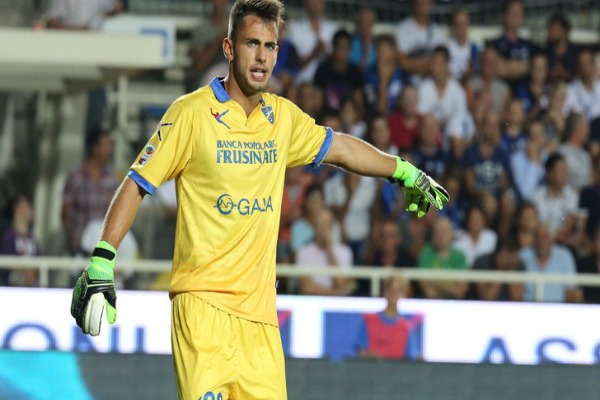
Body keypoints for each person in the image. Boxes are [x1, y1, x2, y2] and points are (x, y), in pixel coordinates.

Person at [69, 2, 449, 399]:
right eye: (252, 43)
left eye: (270, 46)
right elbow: (136, 183)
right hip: (203, 308)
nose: (262, 56)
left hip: (262, 318)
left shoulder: (281, 118)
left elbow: (342, 149)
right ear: (229, 48)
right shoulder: (191, 114)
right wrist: (102, 261)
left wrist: (403, 171)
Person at [62, 129, 119, 255]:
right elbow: (65, 212)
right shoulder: (76, 176)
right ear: (95, 148)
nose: (109, 150)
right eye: (106, 145)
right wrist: (72, 237)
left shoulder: (111, 176)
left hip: (103, 244)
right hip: (80, 244)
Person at [354, 277, 422, 360]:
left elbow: (412, 359)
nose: (394, 294)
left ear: (404, 294)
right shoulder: (369, 320)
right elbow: (360, 352)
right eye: (391, 289)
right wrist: (369, 356)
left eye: (398, 290)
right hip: (372, 368)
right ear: (384, 291)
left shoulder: (406, 328)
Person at [296, 208, 354, 296]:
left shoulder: (345, 252)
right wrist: (336, 293)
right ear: (314, 228)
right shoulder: (303, 252)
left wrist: (329, 251)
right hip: (313, 301)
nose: (324, 230)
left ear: (332, 227)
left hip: (338, 303)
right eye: (321, 226)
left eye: (327, 225)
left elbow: (341, 283)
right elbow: (307, 288)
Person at [519, 223, 582, 303]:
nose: (541, 241)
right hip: (529, 308)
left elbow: (571, 289)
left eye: (545, 237)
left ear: (552, 239)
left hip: (557, 308)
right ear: (534, 240)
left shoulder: (564, 256)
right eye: (538, 237)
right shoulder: (523, 256)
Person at [489, 0, 538, 92]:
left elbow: (535, 68)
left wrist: (508, 65)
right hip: (502, 92)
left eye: (519, 13)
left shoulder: (530, 45)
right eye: (513, 13)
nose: (516, 17)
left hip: (525, 93)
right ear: (505, 15)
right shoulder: (495, 44)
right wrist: (522, 66)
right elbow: (499, 69)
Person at [313, 29, 364, 114]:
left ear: (350, 50)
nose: (343, 52)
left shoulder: (355, 72)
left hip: (349, 118)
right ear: (334, 48)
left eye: (346, 48)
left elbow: (359, 104)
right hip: (327, 118)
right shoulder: (323, 70)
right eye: (340, 48)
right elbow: (317, 103)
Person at [417, 216, 468, 299]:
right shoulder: (426, 253)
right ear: (433, 236)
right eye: (437, 232)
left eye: (444, 232)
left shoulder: (460, 256)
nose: (441, 237)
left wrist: (433, 281)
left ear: (452, 234)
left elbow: (460, 291)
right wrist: (450, 288)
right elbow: (427, 290)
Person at [288, 0, 338, 84]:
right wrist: (314, 53)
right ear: (306, 4)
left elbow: (338, 62)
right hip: (301, 82)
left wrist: (325, 52)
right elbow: (293, 63)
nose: (316, 4)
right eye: (312, 1)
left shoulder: (333, 29)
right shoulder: (295, 29)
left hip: (327, 83)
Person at [394, 0, 447, 78]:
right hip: (409, 82)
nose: (422, 7)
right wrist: (430, 66)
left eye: (426, 3)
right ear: (414, 3)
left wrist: (414, 63)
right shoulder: (401, 30)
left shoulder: (439, 33)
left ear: (431, 3)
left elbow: (443, 63)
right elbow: (402, 63)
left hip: (432, 82)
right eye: (419, 3)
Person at [187, 0, 230, 91]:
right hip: (209, 77)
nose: (220, 3)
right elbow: (199, 65)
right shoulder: (202, 30)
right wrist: (218, 42)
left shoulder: (236, 26)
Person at [0, 195, 41, 287]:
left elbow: (40, 263)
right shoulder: (8, 237)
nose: (30, 210)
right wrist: (24, 270)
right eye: (26, 206)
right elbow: (6, 262)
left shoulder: (34, 240)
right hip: (11, 288)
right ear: (16, 209)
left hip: (32, 288)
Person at [446, 7, 480, 82]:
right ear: (453, 25)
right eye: (458, 23)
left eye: (464, 23)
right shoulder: (446, 47)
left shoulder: (475, 48)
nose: (461, 27)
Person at [545, 13, 578, 83]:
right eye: (549, 29)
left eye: (554, 29)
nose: (550, 32)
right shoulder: (546, 52)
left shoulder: (575, 52)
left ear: (564, 31)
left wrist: (563, 73)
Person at [349, 6, 377, 72]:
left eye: (367, 23)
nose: (364, 26)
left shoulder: (377, 45)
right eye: (361, 22)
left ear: (372, 24)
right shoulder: (349, 43)